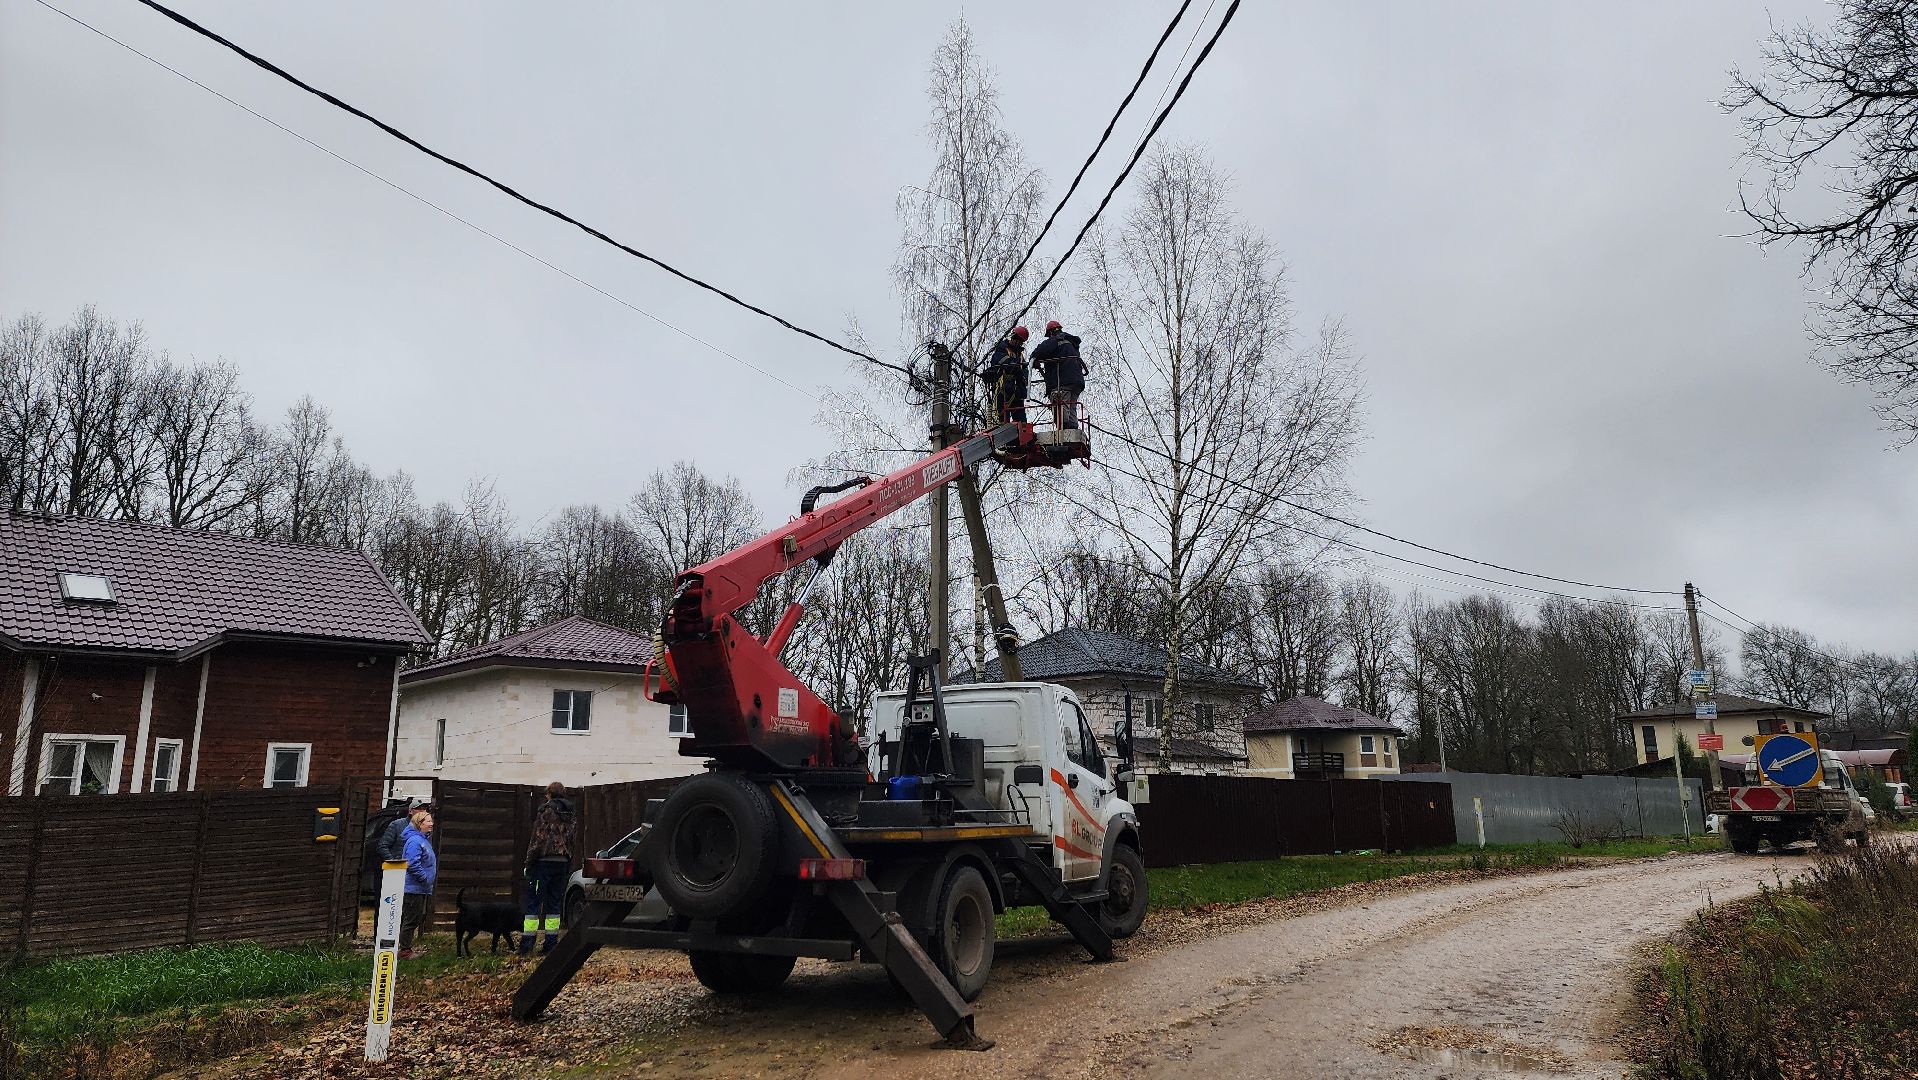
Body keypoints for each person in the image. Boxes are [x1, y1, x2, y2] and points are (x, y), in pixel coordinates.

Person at [520, 781, 576, 956]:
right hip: (562, 863)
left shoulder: (545, 811)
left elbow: (537, 840)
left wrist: (529, 863)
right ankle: (551, 944)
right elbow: (572, 840)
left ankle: (527, 945)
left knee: (534, 904)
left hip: (543, 863)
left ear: (550, 794)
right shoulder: (571, 813)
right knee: (554, 904)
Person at [1029, 320, 1086, 429]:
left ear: (1050, 332)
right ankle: (1072, 430)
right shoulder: (1071, 343)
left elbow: (1040, 351)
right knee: (1071, 407)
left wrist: (1034, 358)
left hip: (1062, 381)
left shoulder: (1055, 340)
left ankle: (1064, 431)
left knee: (1061, 408)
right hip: (1077, 382)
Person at [398, 808, 436, 959]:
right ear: (419, 824)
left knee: (413, 917)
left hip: (419, 888)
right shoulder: (415, 841)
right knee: (411, 918)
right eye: (428, 821)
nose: (431, 824)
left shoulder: (422, 840)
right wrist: (424, 879)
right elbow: (412, 863)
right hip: (413, 887)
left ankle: (405, 947)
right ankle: (405, 951)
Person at [978, 326, 1030, 423]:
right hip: (1004, 390)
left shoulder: (1020, 355)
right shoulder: (1001, 349)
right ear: (1013, 338)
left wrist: (1024, 378)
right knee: (1003, 420)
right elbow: (1006, 363)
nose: (1018, 343)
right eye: (1017, 340)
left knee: (1021, 421)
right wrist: (1017, 367)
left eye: (1021, 342)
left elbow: (1024, 369)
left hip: (1017, 390)